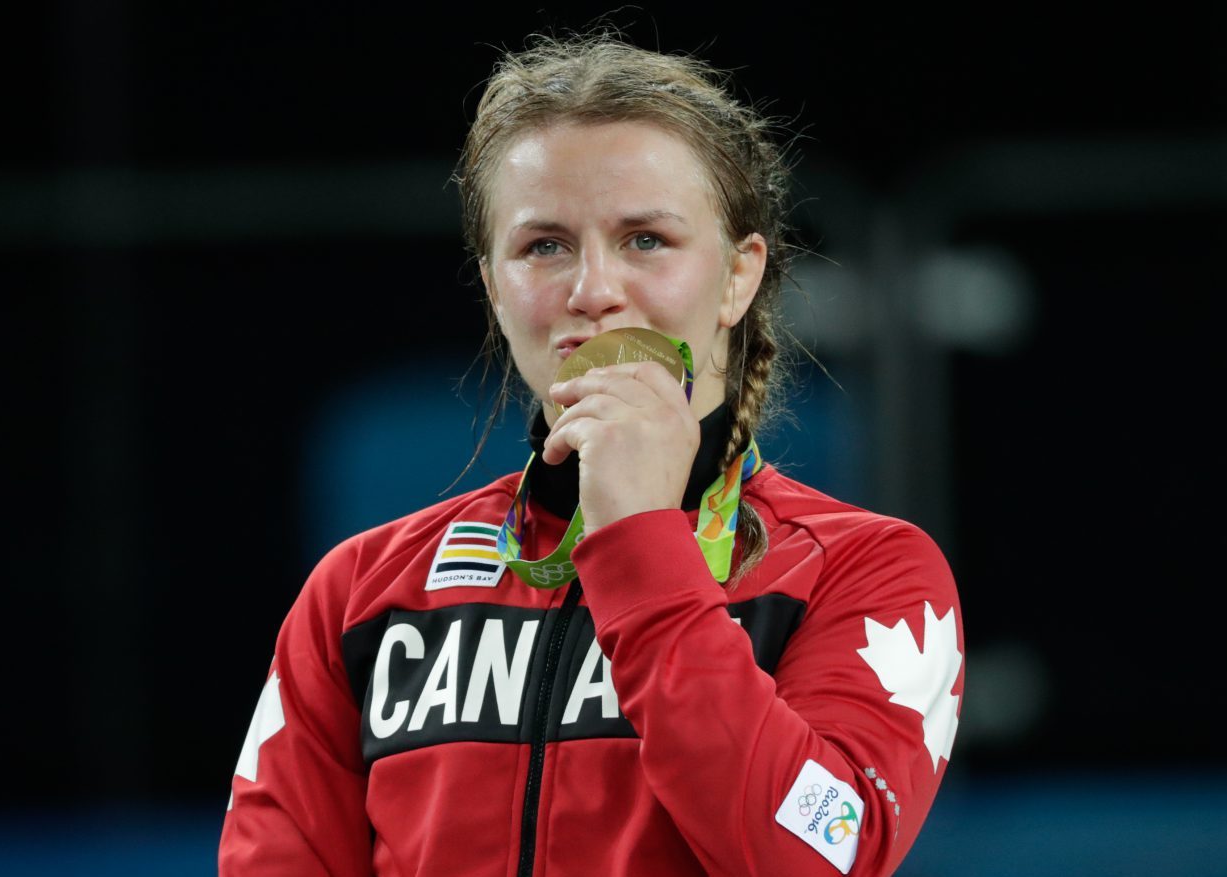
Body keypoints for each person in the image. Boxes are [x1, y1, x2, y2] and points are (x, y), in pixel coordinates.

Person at [219, 32, 964, 877]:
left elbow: (812, 858)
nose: (592, 292)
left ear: (736, 276)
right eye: (544, 246)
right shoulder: (360, 594)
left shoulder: (865, 574)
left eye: (645, 239)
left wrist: (643, 540)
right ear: (494, 286)